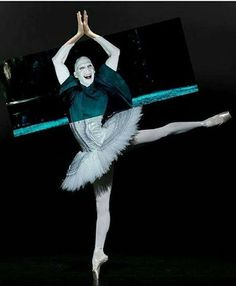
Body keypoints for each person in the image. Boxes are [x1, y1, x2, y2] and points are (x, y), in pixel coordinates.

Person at [52, 10, 231, 281]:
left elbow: (114, 53)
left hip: (113, 138)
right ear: (75, 75)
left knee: (160, 132)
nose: (88, 70)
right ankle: (97, 253)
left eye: (89, 66)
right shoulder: (70, 92)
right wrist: (78, 36)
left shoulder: (101, 83)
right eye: (82, 68)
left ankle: (205, 123)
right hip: (94, 156)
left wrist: (94, 35)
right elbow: (57, 60)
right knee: (102, 207)